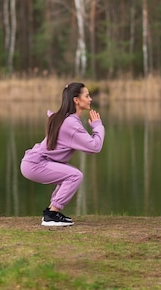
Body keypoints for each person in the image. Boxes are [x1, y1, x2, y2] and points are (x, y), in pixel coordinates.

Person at [20, 82, 105, 227]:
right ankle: (52, 215)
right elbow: (94, 147)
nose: (90, 99)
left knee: (69, 174)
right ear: (76, 100)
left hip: (32, 162)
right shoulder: (70, 123)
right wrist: (98, 127)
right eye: (87, 96)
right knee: (75, 175)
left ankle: (52, 213)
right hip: (36, 164)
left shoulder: (65, 119)